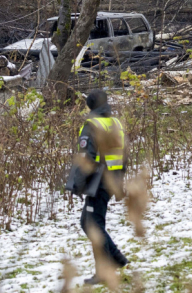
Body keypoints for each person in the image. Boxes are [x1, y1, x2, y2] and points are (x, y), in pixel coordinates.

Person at [66, 90, 128, 285]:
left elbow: (87, 158)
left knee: (93, 225)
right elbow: (124, 154)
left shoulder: (92, 125)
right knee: (87, 221)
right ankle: (116, 258)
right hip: (112, 180)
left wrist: (77, 184)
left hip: (98, 182)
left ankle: (106, 269)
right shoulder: (115, 123)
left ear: (90, 106)